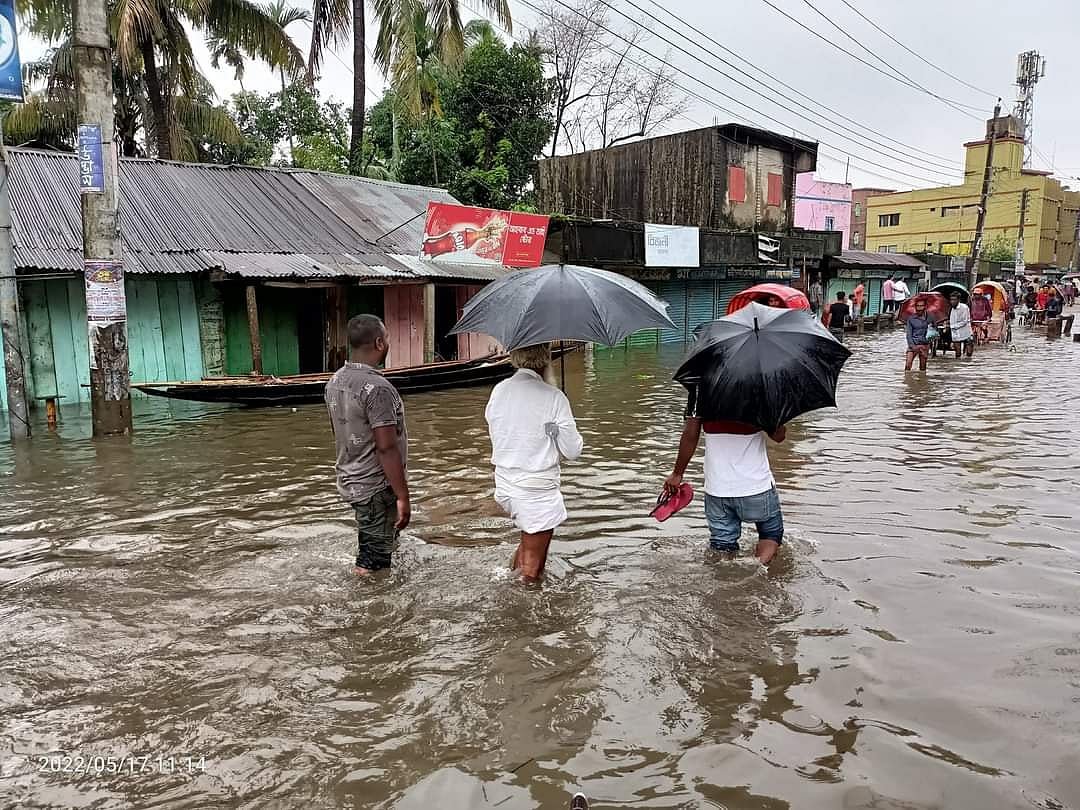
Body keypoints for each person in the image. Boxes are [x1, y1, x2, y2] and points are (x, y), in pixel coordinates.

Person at [485, 343, 583, 582]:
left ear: (515, 358)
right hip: (535, 489)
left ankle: (511, 579)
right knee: (533, 570)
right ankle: (523, 610)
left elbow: (497, 427)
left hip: (506, 484)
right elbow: (572, 451)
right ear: (546, 359)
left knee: (528, 545)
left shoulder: (499, 390)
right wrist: (560, 425)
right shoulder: (554, 397)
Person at [325, 315, 410, 575]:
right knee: (372, 567)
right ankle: (364, 611)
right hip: (376, 485)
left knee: (380, 547)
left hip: (352, 479)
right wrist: (403, 496)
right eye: (387, 339)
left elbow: (339, 432)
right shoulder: (378, 388)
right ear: (379, 343)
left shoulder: (335, 381)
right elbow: (386, 447)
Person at [664, 386, 787, 565]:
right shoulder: (760, 389)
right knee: (771, 534)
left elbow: (690, 434)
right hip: (756, 487)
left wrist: (677, 473)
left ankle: (727, 576)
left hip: (716, 490)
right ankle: (755, 570)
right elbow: (779, 436)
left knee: (722, 546)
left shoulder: (700, 389)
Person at [904, 297, 932, 372]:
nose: (919, 308)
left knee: (923, 368)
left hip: (924, 345)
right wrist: (913, 346)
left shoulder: (930, 318)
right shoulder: (911, 319)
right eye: (917, 306)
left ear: (925, 307)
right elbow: (909, 334)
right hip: (914, 344)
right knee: (908, 365)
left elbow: (933, 332)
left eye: (921, 306)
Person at [948, 292, 974, 359]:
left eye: (954, 300)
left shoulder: (964, 308)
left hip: (966, 332)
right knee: (957, 354)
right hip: (956, 333)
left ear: (958, 300)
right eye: (951, 300)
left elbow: (964, 321)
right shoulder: (951, 309)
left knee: (969, 354)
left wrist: (952, 326)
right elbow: (952, 320)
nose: (952, 301)